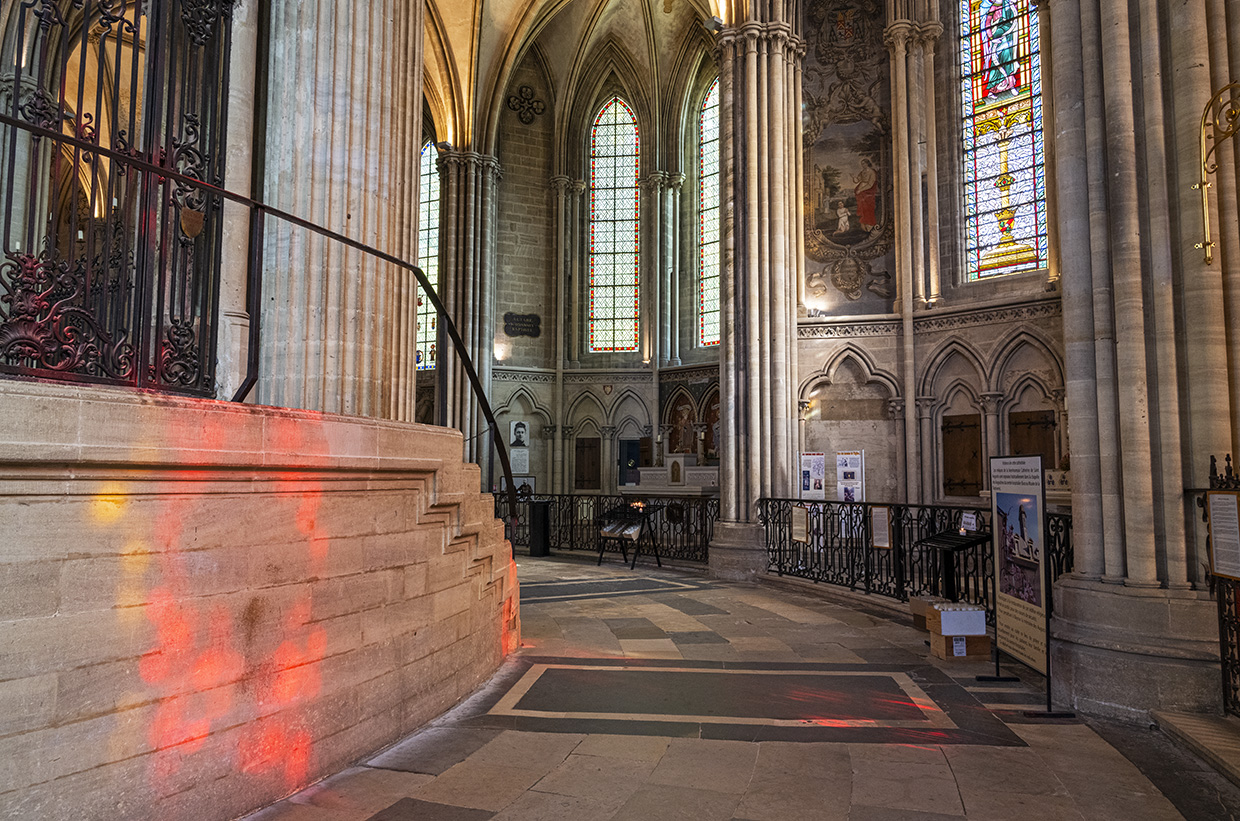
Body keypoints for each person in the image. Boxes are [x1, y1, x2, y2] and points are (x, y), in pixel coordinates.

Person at [853, 157, 878, 231]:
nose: (862, 165)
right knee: (863, 208)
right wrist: (854, 177)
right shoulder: (862, 171)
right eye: (862, 164)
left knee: (868, 208)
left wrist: (860, 189)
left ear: (867, 163)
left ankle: (869, 224)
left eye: (864, 164)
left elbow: (870, 184)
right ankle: (864, 223)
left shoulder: (872, 172)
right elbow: (857, 180)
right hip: (861, 192)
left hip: (868, 192)